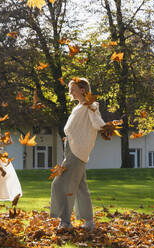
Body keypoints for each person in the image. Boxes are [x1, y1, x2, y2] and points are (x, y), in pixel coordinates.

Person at [50, 77, 106, 231]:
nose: (70, 92)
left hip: (77, 151)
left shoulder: (90, 105)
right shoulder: (79, 107)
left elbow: (97, 122)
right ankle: (88, 221)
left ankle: (66, 222)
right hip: (71, 148)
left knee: (61, 184)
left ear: (82, 90)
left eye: (73, 89)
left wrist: (106, 128)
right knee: (80, 186)